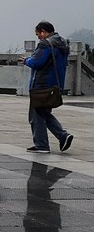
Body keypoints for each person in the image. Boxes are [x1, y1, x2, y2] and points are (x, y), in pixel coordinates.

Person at [24, 21, 74, 153]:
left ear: (44, 32)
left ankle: (42, 145)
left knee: (36, 114)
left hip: (42, 84)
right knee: (43, 113)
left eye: (38, 34)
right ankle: (63, 136)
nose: (38, 37)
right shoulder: (62, 43)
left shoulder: (46, 44)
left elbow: (37, 62)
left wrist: (26, 60)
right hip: (55, 84)